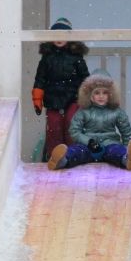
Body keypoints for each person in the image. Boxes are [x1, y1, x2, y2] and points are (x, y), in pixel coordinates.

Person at [47, 70, 131, 172]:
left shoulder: (117, 112)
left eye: (105, 93)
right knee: (77, 151)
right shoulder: (83, 111)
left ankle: (127, 159)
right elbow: (74, 130)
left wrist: (127, 148)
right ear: (90, 96)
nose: (101, 96)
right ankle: (62, 160)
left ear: (111, 95)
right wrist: (88, 141)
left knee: (116, 151)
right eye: (97, 93)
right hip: (87, 146)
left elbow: (126, 131)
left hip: (109, 144)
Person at [31, 17, 90, 162]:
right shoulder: (47, 58)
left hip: (73, 98)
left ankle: (73, 154)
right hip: (52, 99)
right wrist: (37, 97)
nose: (59, 38)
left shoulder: (76, 57)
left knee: (71, 124)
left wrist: (87, 95)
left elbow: (85, 78)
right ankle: (54, 156)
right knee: (53, 127)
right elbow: (40, 79)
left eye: (63, 35)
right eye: (55, 35)